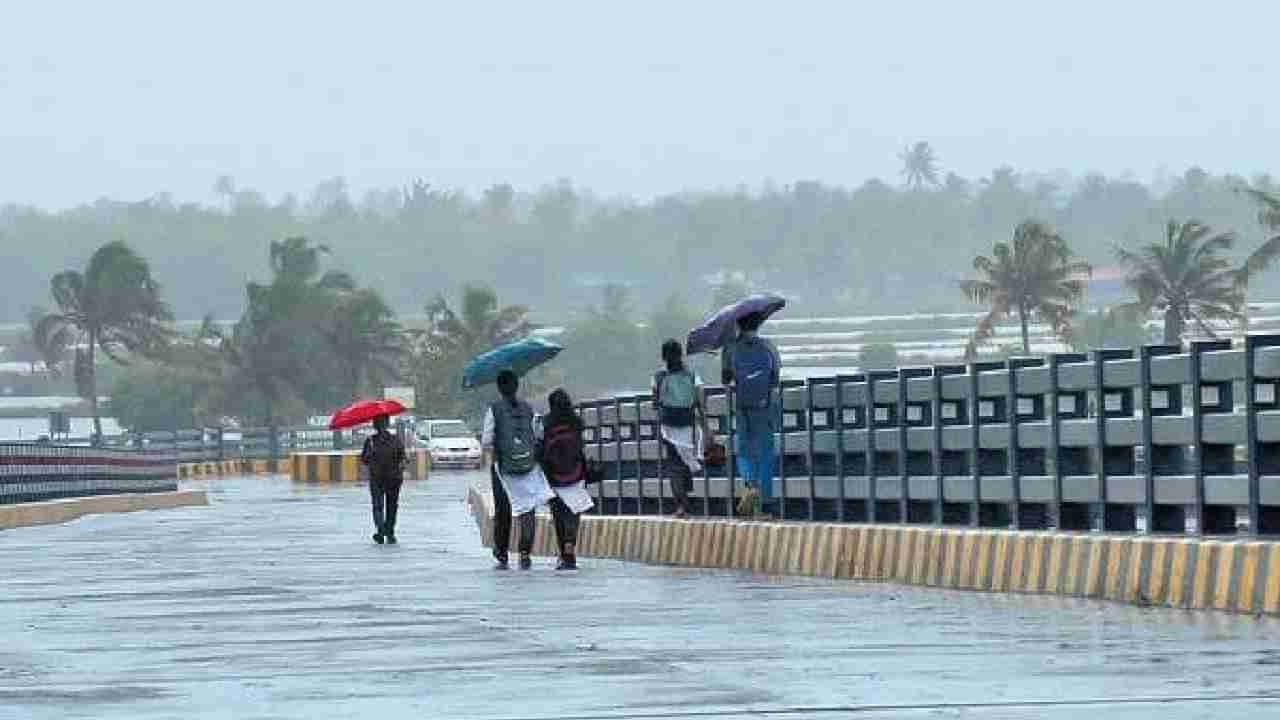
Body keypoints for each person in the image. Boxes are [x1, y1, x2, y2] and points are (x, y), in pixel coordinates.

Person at [482, 369, 554, 570]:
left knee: (503, 508)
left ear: (499, 388)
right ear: (517, 386)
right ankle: (524, 553)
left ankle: (502, 552)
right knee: (528, 508)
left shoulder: (493, 410)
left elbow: (486, 440)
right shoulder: (529, 409)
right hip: (529, 465)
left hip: (503, 467)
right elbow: (539, 435)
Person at [721, 311, 782, 517]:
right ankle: (765, 504)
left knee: (744, 451)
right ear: (758, 324)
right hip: (764, 406)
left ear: (738, 325)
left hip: (742, 407)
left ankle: (750, 484)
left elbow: (726, 380)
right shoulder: (768, 346)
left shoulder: (730, 348)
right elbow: (775, 379)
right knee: (765, 453)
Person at [653, 339, 711, 519]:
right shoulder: (692, 375)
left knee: (674, 465)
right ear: (681, 354)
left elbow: (655, 402)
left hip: (668, 426)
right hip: (688, 425)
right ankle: (686, 499)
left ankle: (681, 503)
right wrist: (706, 425)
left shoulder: (659, 376)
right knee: (687, 461)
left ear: (663, 357)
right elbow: (700, 401)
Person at [537, 388, 594, 570]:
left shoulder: (545, 423)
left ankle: (563, 553)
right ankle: (570, 547)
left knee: (558, 513)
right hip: (575, 472)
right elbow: (580, 446)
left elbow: (539, 447)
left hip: (553, 474)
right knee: (573, 513)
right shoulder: (577, 422)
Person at [360, 414, 407, 544]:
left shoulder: (371, 441)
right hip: (390, 478)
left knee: (379, 506)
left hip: (381, 478)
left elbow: (364, 459)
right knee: (389, 506)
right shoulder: (394, 440)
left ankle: (382, 531)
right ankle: (388, 532)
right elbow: (403, 458)